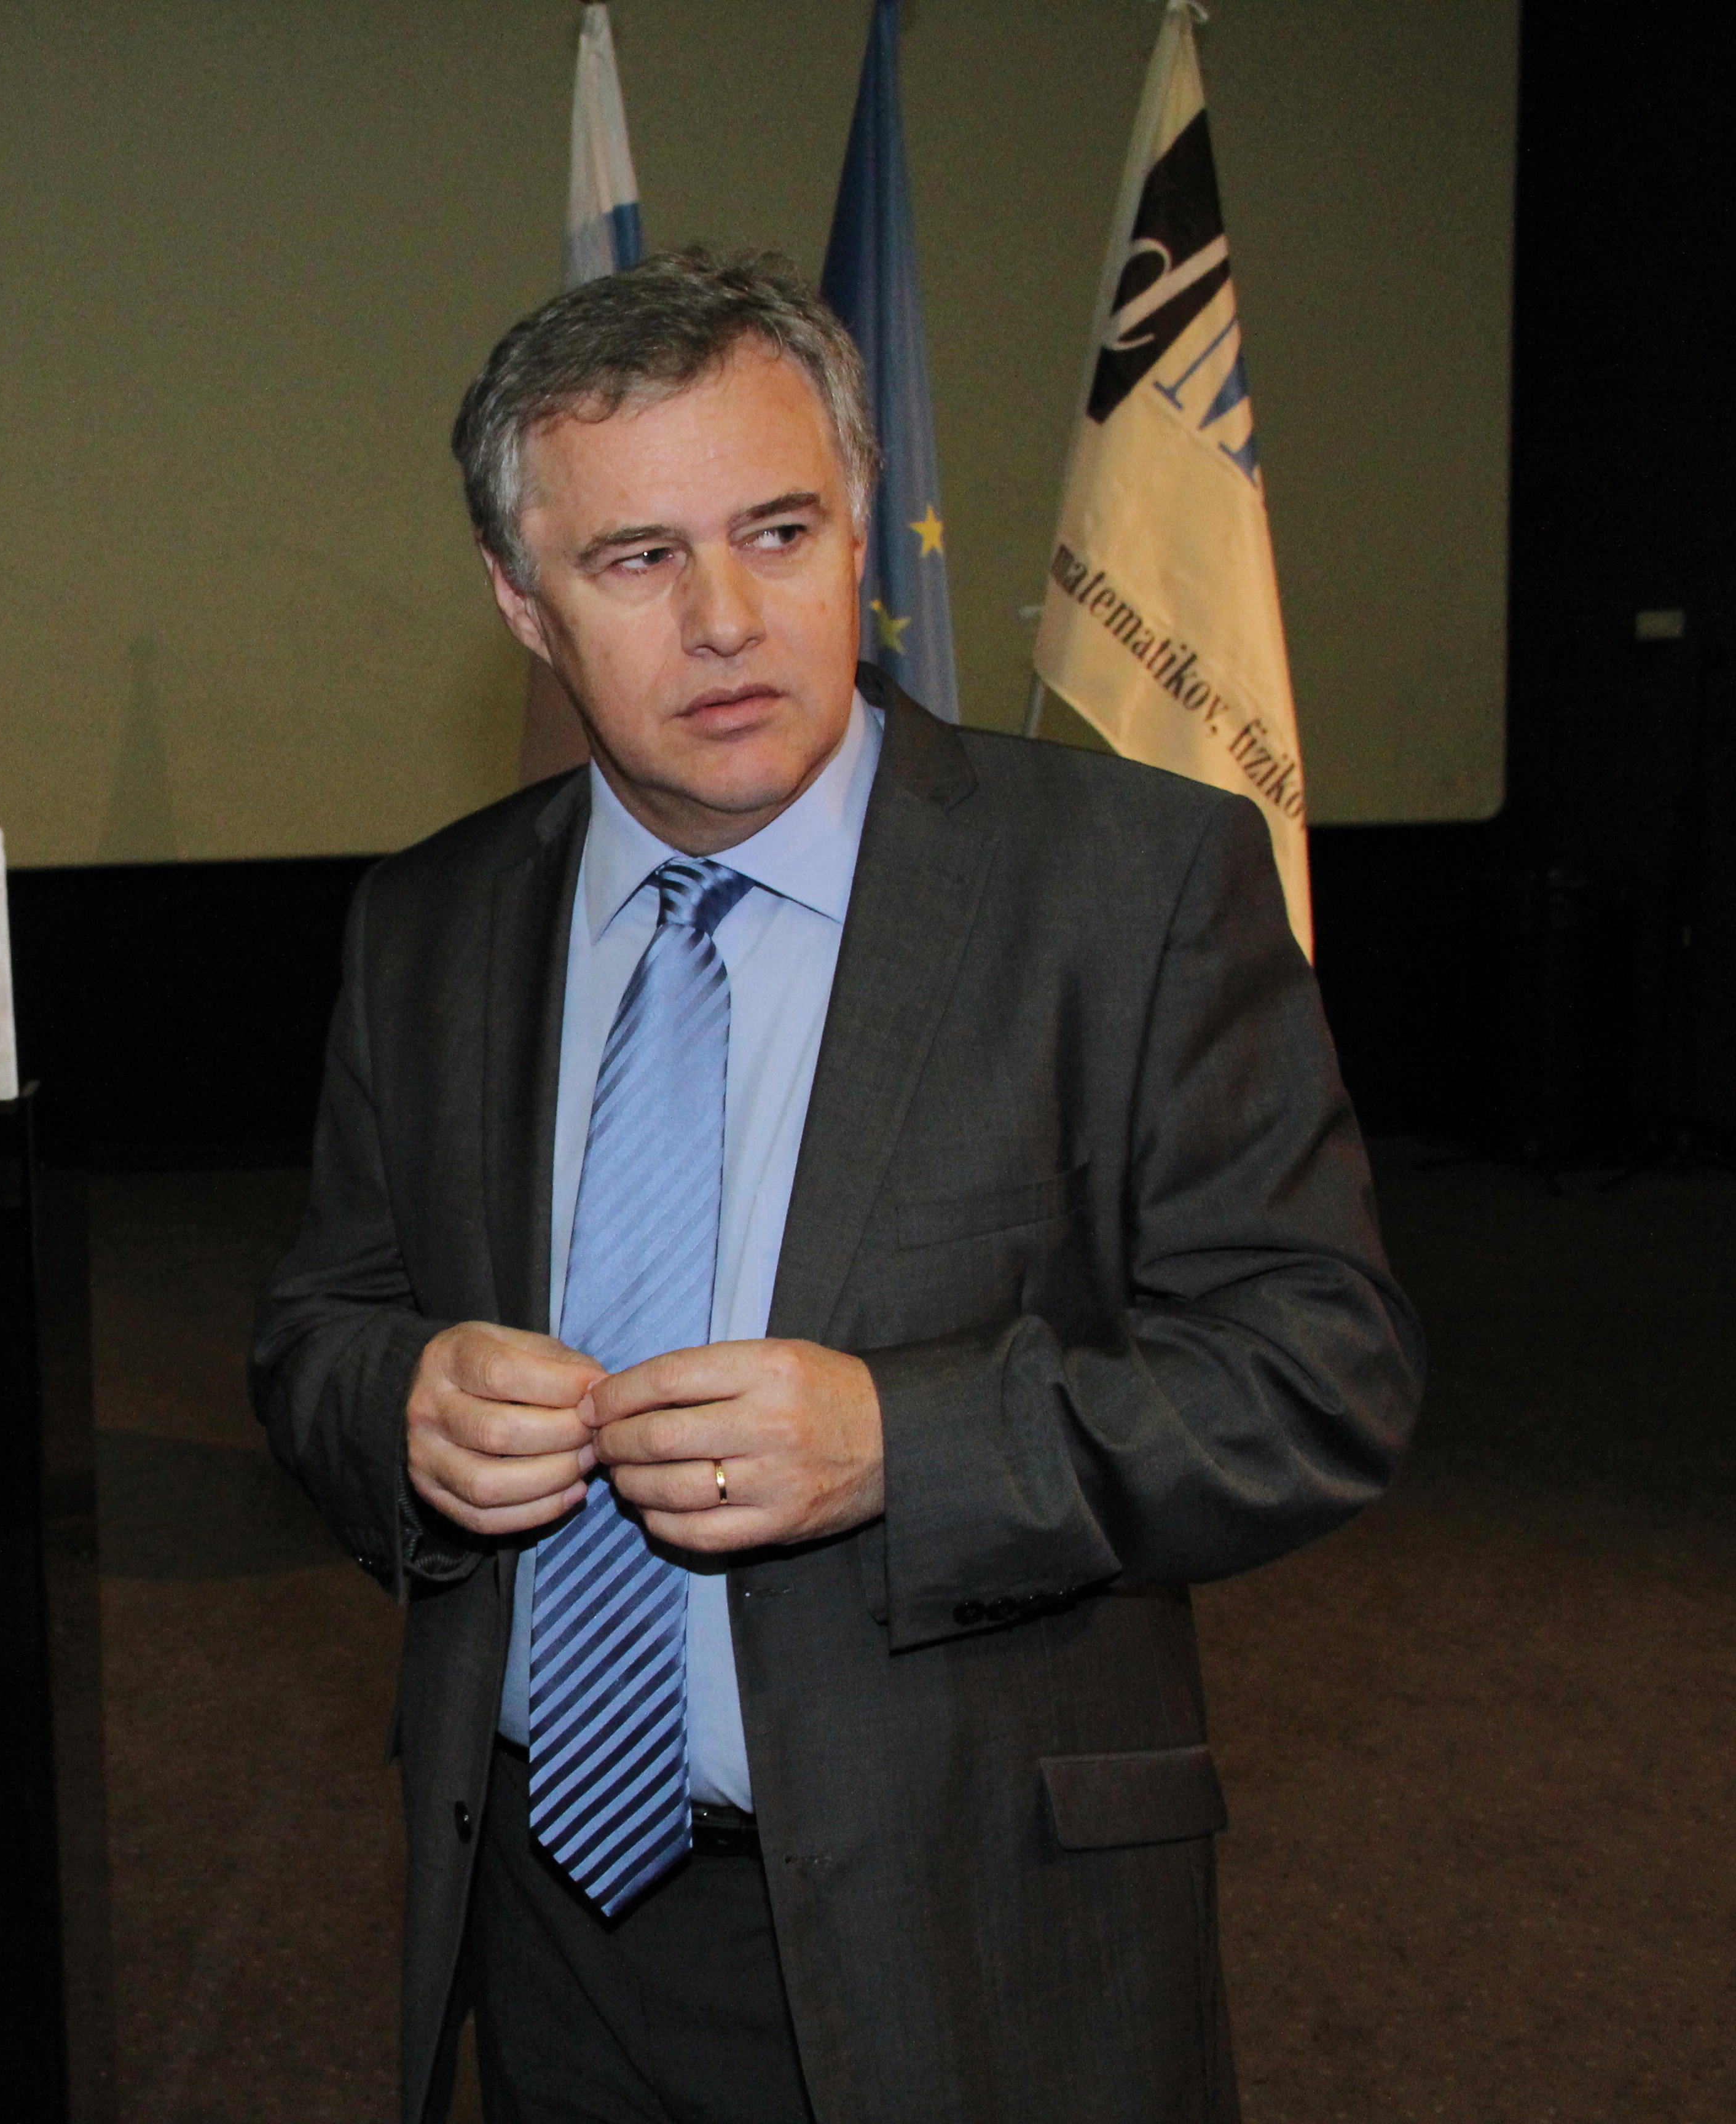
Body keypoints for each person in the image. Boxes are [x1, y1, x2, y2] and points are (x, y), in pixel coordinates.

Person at [253, 250, 1422, 2124]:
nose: (727, 619)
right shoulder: (431, 923)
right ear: (521, 601)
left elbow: (1319, 1373)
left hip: (975, 1931)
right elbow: (321, 1327)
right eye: (640, 558)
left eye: (780, 532)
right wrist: (401, 1404)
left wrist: (902, 1443)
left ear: (862, 531)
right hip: (552, 1928)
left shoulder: (1127, 888)